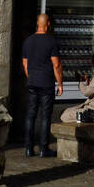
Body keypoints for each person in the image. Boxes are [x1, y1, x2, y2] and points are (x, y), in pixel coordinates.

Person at [22, 14, 63, 157]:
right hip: (46, 83)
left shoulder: (28, 41)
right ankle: (43, 149)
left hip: (32, 82)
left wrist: (31, 76)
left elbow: (25, 63)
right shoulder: (51, 42)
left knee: (30, 115)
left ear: (37, 24)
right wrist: (60, 84)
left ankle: (28, 148)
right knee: (45, 116)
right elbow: (56, 64)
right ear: (48, 24)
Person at [60, 52, 94, 123]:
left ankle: (89, 118)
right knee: (67, 111)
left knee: (64, 116)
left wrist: (80, 81)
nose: (92, 65)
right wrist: (87, 82)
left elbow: (86, 92)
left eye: (93, 63)